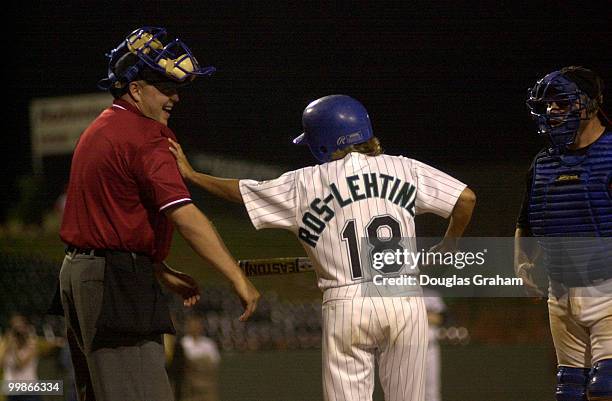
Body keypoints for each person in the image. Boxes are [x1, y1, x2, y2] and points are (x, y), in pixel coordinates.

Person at [169, 94, 476, 401]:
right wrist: (448, 244)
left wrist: (194, 176)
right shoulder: (404, 168)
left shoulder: (306, 182)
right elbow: (465, 199)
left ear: (323, 142)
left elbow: (244, 192)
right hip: (403, 299)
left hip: (347, 302)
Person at [58, 26, 260, 401]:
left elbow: (111, 219)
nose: (175, 97)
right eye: (165, 87)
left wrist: (158, 268)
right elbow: (185, 216)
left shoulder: (101, 128)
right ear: (135, 89)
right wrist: (237, 278)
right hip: (113, 281)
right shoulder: (147, 136)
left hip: (83, 275)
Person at [515, 66, 612, 401]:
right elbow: (526, 221)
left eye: (561, 101)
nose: (552, 110)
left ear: (589, 102)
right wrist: (523, 265)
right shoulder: (544, 163)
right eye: (548, 104)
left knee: (605, 386)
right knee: (568, 391)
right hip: (561, 291)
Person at [0, 314, 41, 401]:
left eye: (20, 327)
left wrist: (14, 348)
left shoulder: (31, 344)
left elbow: (21, 365)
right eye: (15, 327)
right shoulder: (6, 345)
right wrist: (7, 345)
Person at [423, 288, 446, 401]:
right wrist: (426, 313)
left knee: (432, 392)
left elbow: (439, 318)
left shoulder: (430, 294)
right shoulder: (396, 293)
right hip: (405, 348)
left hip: (429, 347)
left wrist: (415, 313)